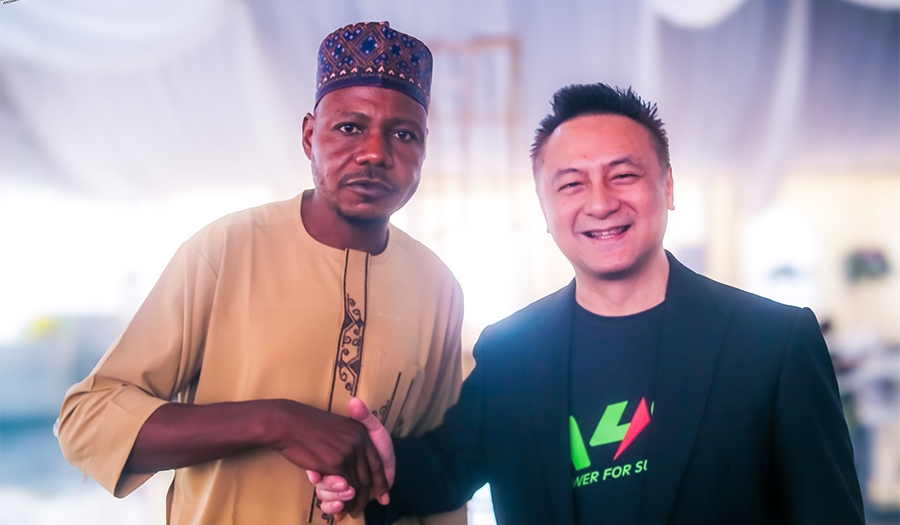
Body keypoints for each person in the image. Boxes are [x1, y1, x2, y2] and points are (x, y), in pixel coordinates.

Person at [314, 83, 865, 524]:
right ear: (545, 209)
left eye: (623, 175)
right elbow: (447, 470)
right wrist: (382, 468)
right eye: (572, 184)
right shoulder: (510, 354)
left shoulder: (772, 344)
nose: (600, 203)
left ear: (668, 187)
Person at [56, 21, 467, 525]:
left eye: (404, 135)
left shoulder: (438, 289)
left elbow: (442, 476)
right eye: (349, 127)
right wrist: (274, 422)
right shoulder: (226, 250)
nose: (376, 153)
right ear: (309, 136)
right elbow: (87, 420)